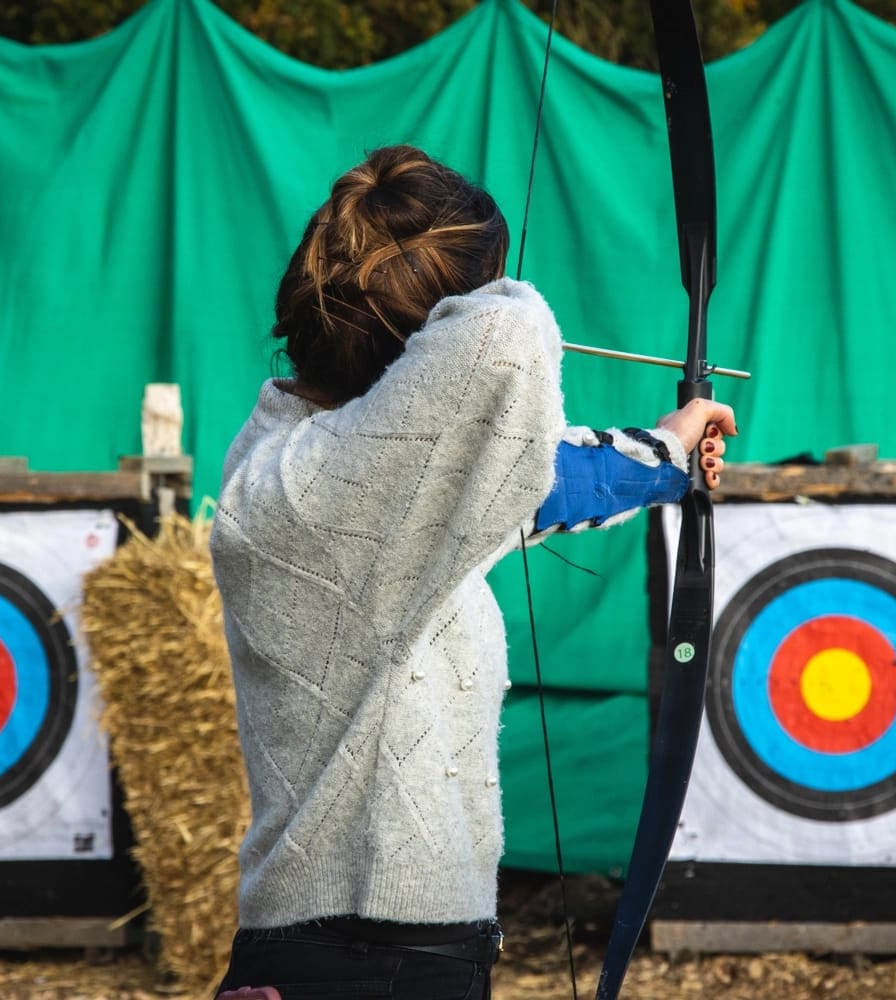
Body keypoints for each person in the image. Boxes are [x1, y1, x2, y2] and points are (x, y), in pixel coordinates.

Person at [209, 145, 736, 1000]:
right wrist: (485, 298)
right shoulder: (310, 491)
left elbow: (514, 481)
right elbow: (501, 343)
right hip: (363, 962)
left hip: (382, 956)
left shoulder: (309, 467)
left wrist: (665, 452)